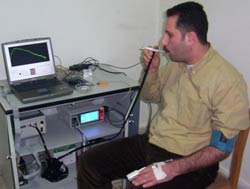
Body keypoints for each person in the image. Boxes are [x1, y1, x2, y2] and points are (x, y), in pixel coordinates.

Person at [77, 1, 249, 189]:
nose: (163, 42)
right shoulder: (177, 62)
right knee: (89, 163)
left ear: (190, 38)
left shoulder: (227, 81)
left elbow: (221, 148)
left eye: (169, 35)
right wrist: (152, 70)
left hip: (191, 162)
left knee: (141, 185)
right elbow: (150, 97)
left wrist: (172, 168)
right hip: (154, 142)